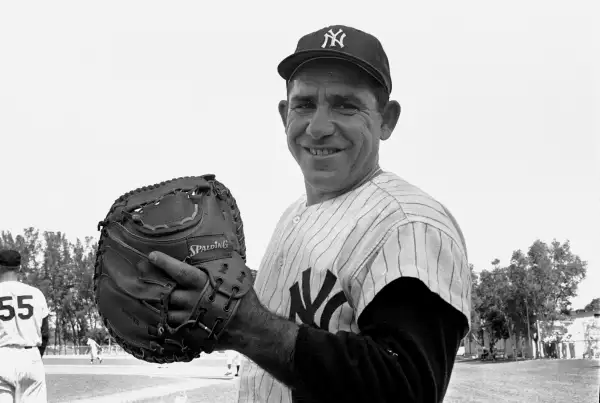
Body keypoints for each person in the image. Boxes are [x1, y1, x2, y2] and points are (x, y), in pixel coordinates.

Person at [148, 24, 471, 403]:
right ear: (285, 115)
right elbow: (281, 336)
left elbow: (406, 386)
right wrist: (207, 313)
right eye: (304, 104)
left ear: (387, 119)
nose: (317, 128)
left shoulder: (409, 224)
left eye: (346, 105)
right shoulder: (292, 217)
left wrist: (246, 325)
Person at [0, 249, 49, 403]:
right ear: (20, 268)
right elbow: (45, 333)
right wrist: (34, 356)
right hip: (30, 355)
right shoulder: (36, 293)